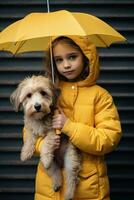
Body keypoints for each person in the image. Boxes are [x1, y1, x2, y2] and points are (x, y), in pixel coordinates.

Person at [23, 35, 122, 200]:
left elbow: (109, 138)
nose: (66, 65)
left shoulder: (100, 96)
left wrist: (69, 126)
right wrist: (42, 145)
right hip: (48, 188)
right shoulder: (47, 91)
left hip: (88, 188)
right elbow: (29, 130)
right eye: (59, 60)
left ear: (86, 57)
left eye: (72, 57)